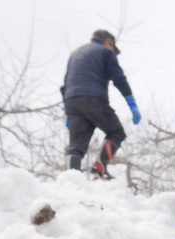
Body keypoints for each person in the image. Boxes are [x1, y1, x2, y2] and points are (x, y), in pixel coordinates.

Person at [60, 30, 141, 179]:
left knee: (76, 146)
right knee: (116, 132)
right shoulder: (105, 52)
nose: (113, 52)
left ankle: (71, 179)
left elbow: (65, 84)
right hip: (93, 99)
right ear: (108, 42)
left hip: (72, 101)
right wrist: (132, 104)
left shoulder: (75, 54)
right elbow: (119, 78)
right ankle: (99, 169)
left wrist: (67, 111)